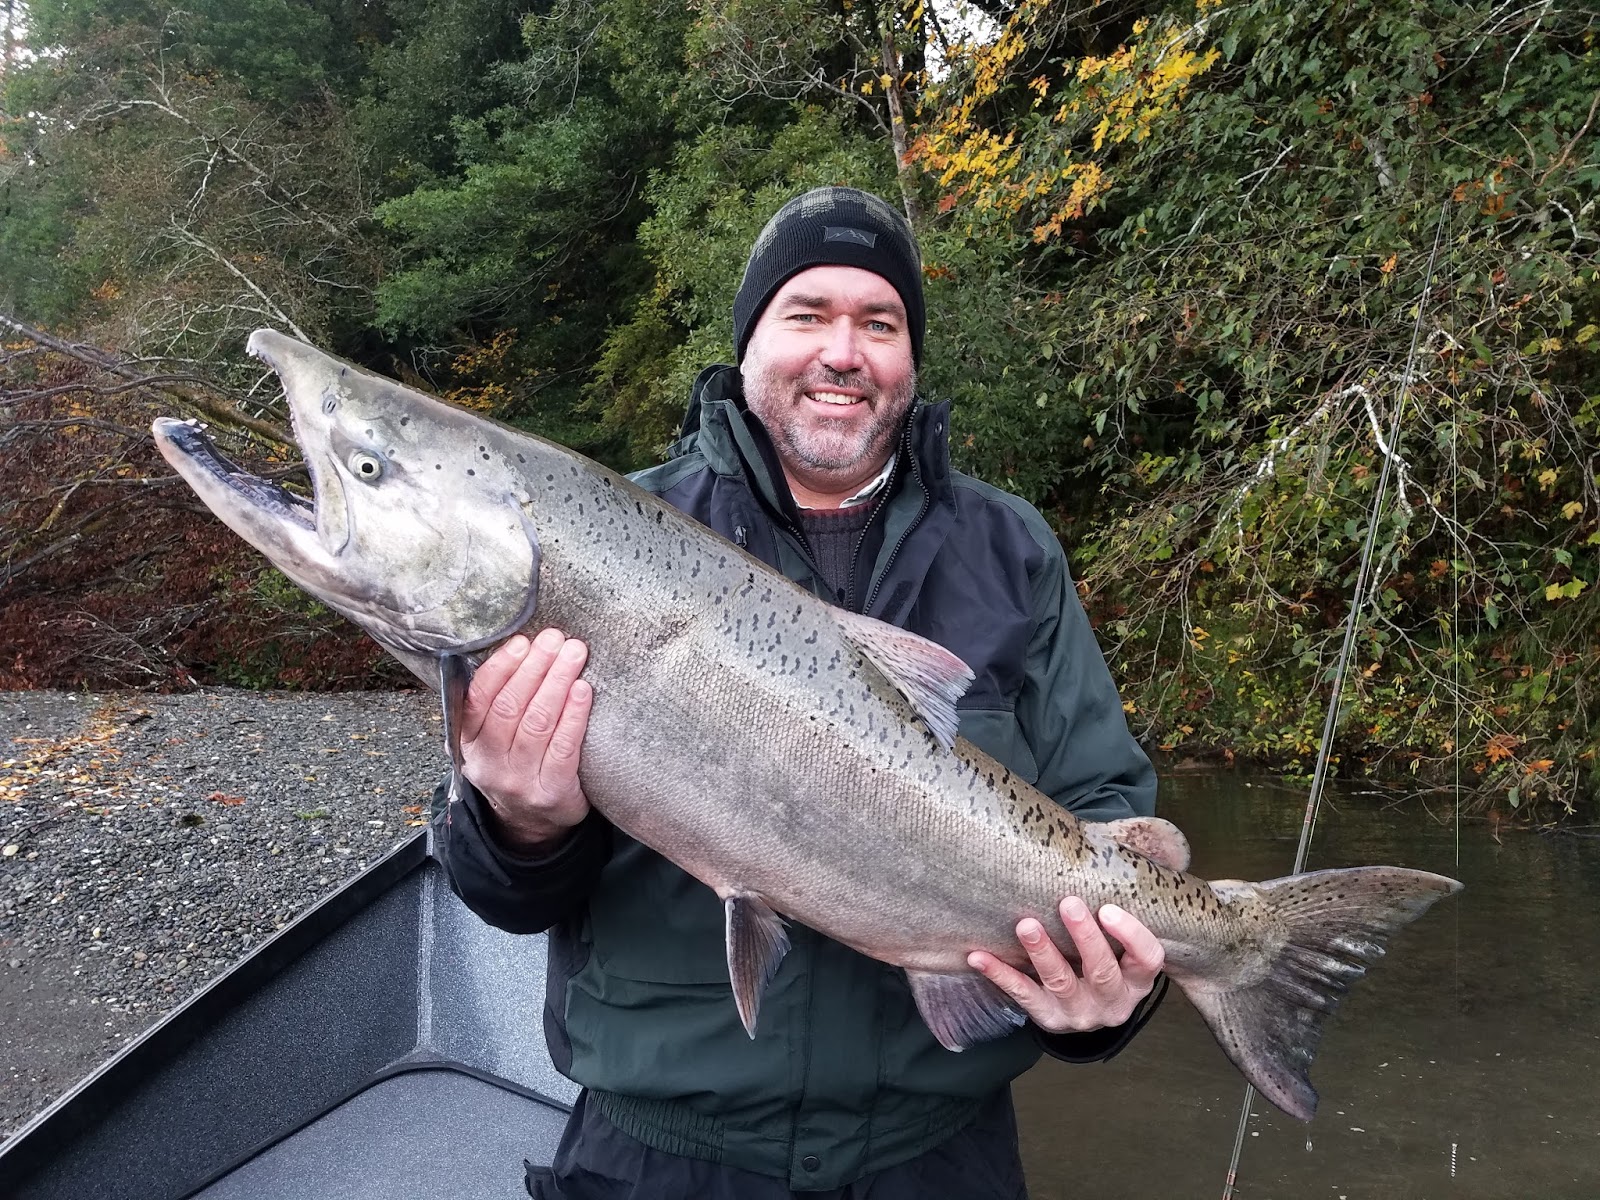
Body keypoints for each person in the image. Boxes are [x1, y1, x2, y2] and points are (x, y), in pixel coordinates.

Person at [437, 187, 1166, 1199]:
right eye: (807, 314)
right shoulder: (602, 539)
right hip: (657, 1155)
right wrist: (518, 825)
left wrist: (1107, 1005)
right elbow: (499, 895)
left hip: (938, 1159)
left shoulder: (1011, 551)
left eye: (880, 322)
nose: (844, 351)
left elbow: (1110, 823)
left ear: (908, 358)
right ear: (748, 342)